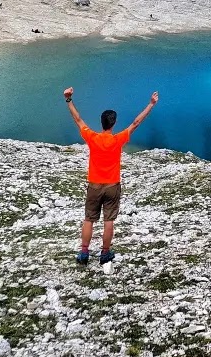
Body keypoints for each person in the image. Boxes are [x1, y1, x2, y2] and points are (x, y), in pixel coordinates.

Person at [63, 86, 159, 266]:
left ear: (101, 123)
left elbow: (78, 119)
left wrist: (68, 99)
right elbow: (136, 122)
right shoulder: (118, 139)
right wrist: (151, 104)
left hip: (94, 185)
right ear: (113, 124)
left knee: (89, 219)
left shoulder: (92, 137)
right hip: (112, 185)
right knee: (109, 220)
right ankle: (105, 254)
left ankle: (84, 253)